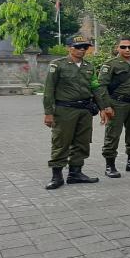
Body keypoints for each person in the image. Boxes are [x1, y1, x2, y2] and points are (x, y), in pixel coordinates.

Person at [43, 35, 109, 190]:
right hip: (64, 110)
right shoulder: (57, 65)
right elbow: (49, 90)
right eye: (78, 47)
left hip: (84, 110)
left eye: (85, 47)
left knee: (82, 142)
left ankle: (75, 173)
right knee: (61, 142)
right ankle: (57, 176)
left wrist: (103, 108)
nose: (82, 50)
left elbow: (95, 88)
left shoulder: (89, 66)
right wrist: (48, 112)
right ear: (69, 47)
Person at [98, 36, 130, 178]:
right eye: (123, 47)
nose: (127, 49)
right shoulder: (110, 64)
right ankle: (110, 166)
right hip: (116, 104)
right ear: (117, 48)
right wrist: (106, 106)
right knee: (113, 134)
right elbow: (101, 86)